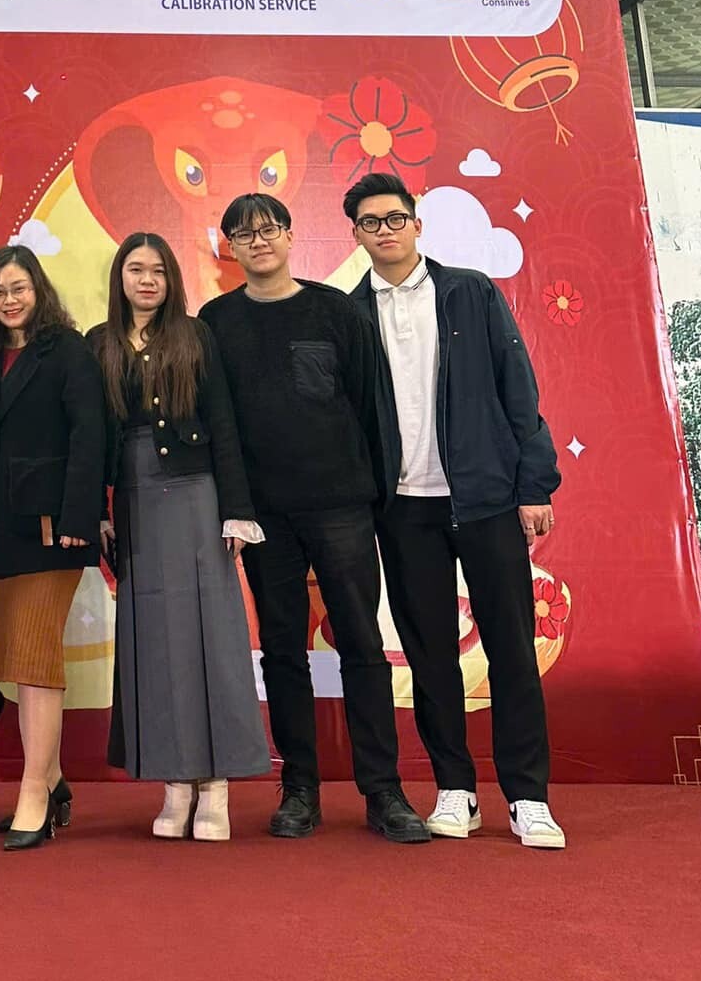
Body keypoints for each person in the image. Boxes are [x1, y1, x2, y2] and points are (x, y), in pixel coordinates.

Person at [345, 171, 566, 850]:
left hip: (486, 496)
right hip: (403, 509)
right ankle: (455, 789)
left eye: (395, 218)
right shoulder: (349, 316)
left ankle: (528, 797)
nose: (385, 230)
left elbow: (517, 387)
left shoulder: (470, 291)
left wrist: (534, 484)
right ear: (356, 234)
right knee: (430, 654)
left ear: (416, 224)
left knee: (511, 648)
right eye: (371, 222)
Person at [201, 193, 430, 845]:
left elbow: (370, 405)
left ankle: (383, 791)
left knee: (361, 643)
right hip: (264, 517)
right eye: (244, 234)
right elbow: (217, 425)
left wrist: (375, 497)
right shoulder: (215, 322)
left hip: (341, 506)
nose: (258, 241)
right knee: (282, 650)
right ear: (230, 248)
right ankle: (299, 788)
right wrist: (235, 509)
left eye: (269, 228)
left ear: (289, 235)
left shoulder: (336, 311)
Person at [90, 231, 270, 841]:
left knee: (210, 635)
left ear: (171, 280)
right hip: (133, 499)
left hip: (197, 492)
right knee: (155, 641)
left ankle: (215, 787)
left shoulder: (196, 336)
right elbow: (93, 438)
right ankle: (175, 783)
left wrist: (236, 510)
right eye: (136, 270)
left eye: (158, 271)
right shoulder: (99, 343)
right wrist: (98, 512)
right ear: (119, 278)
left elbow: (224, 422)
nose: (147, 281)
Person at [0, 243, 105, 851]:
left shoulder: (67, 349)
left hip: (53, 526)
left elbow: (89, 433)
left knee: (35, 655)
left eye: (18, 288)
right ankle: (52, 779)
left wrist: (81, 515)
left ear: (39, 290)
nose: (9, 300)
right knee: (18, 662)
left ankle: (33, 791)